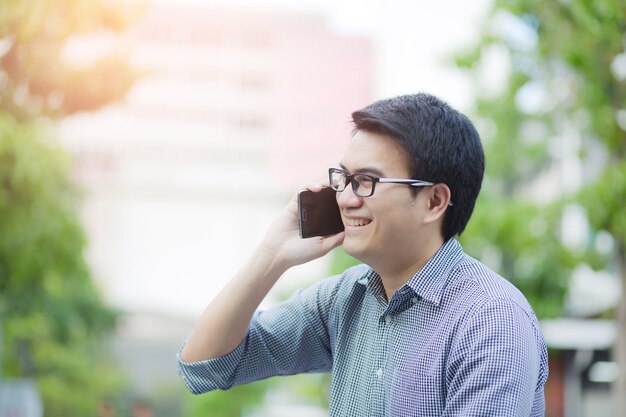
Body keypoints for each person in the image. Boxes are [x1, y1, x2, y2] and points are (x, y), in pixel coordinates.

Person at [177, 93, 549, 416]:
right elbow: (204, 366)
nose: (345, 198)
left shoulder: (492, 321)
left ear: (434, 201)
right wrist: (272, 255)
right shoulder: (345, 296)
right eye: (343, 178)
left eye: (366, 181)